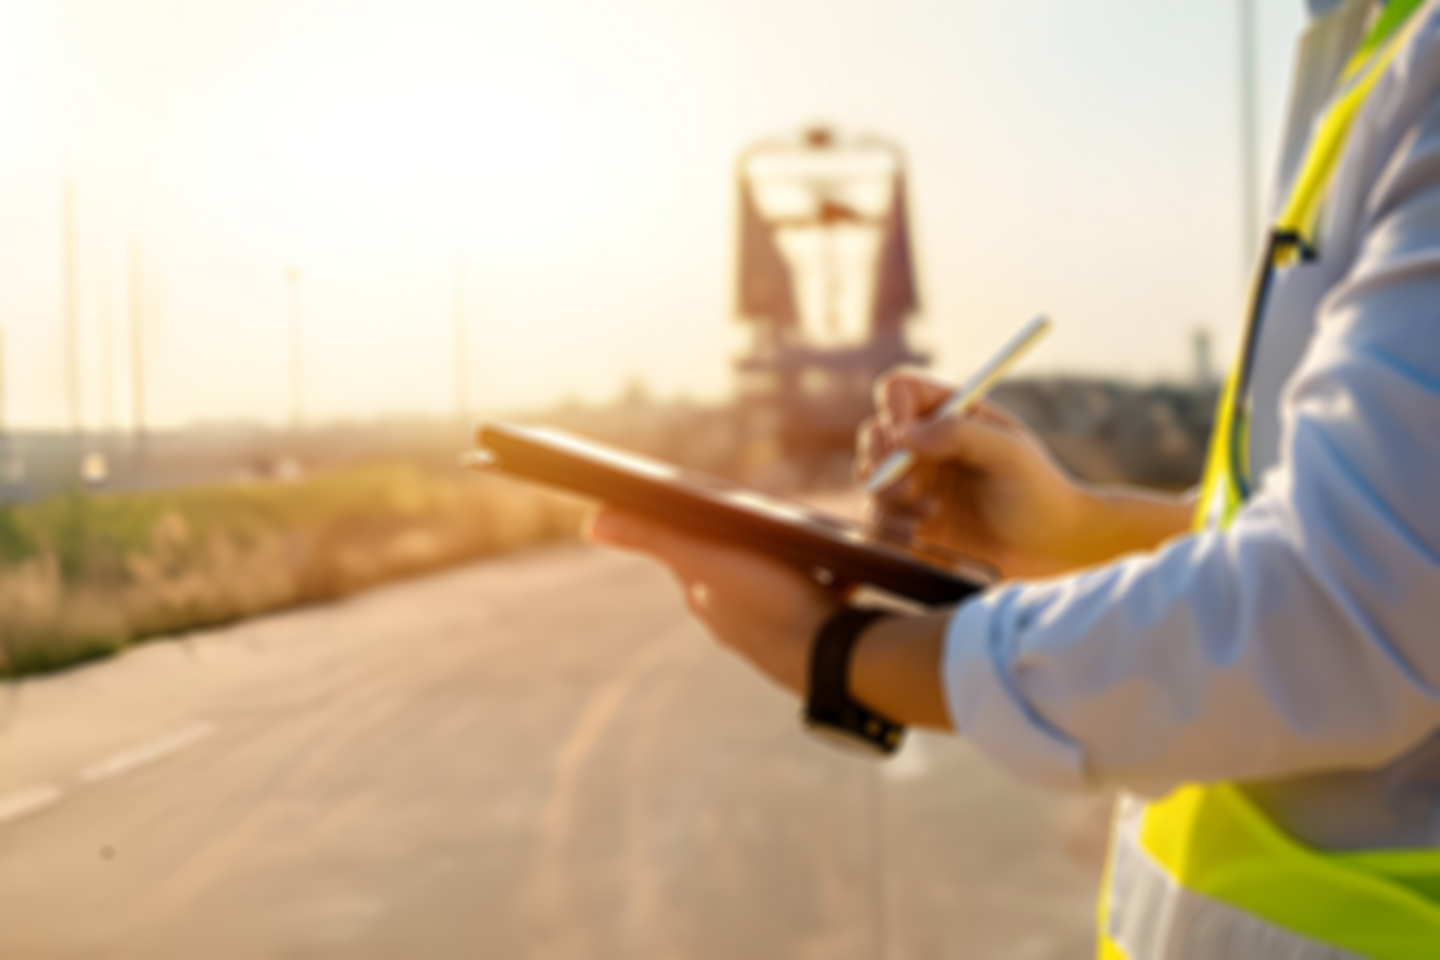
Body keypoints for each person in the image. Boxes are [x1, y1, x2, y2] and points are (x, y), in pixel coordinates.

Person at [591, 0, 1440, 954]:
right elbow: (1392, 540)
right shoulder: (1370, 51)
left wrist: (843, 657)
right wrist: (1082, 526)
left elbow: (1340, 612)